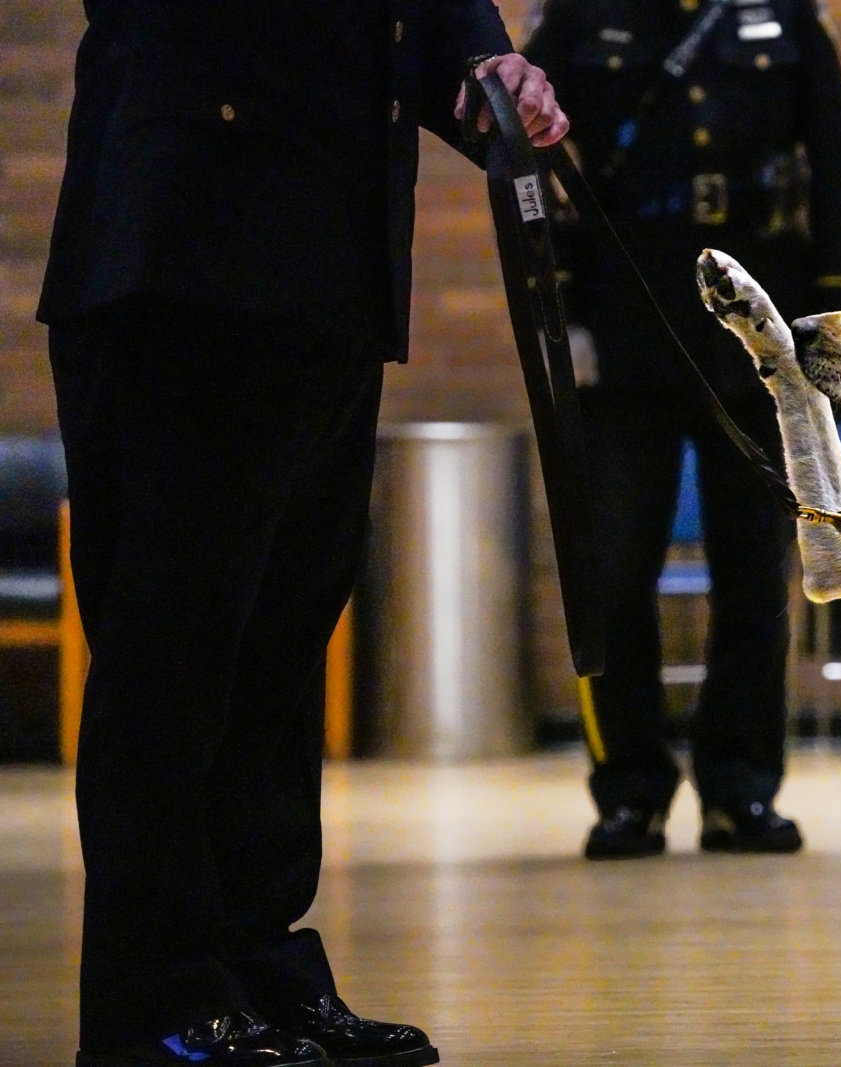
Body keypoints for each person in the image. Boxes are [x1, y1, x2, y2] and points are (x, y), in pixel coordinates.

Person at [37, 5, 567, 1066]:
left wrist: (483, 67)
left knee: (279, 651)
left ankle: (257, 967)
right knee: (173, 657)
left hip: (329, 273)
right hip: (182, 252)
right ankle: (157, 998)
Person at [521, 0, 841, 860]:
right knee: (612, 573)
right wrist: (558, 311)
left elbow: (835, 162)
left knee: (755, 573)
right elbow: (532, 167)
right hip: (624, 324)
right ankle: (629, 792)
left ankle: (741, 790)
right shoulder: (573, 18)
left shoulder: (784, 16)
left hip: (756, 330)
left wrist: (832, 322)